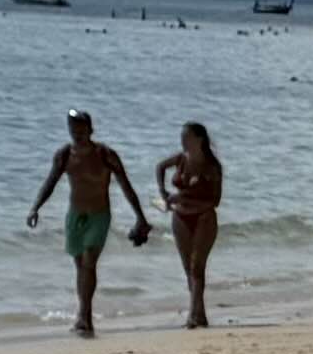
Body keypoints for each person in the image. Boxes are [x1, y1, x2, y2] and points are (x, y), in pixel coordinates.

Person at [22, 113, 154, 335]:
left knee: (89, 261)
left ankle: (85, 316)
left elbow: (126, 186)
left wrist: (140, 217)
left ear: (91, 130)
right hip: (75, 216)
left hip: (99, 216)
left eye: (82, 131)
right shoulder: (64, 155)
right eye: (74, 130)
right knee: (80, 266)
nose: (78, 135)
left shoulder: (105, 154)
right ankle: (83, 315)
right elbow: (50, 183)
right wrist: (35, 208)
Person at [160, 120, 224, 326]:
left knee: (197, 267)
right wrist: (163, 192)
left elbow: (215, 200)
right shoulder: (181, 159)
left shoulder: (212, 166)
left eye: (186, 137)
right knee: (188, 268)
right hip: (180, 217)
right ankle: (200, 313)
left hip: (204, 217)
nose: (183, 141)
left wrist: (183, 196)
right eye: (182, 137)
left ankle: (192, 314)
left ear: (200, 139)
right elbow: (160, 167)